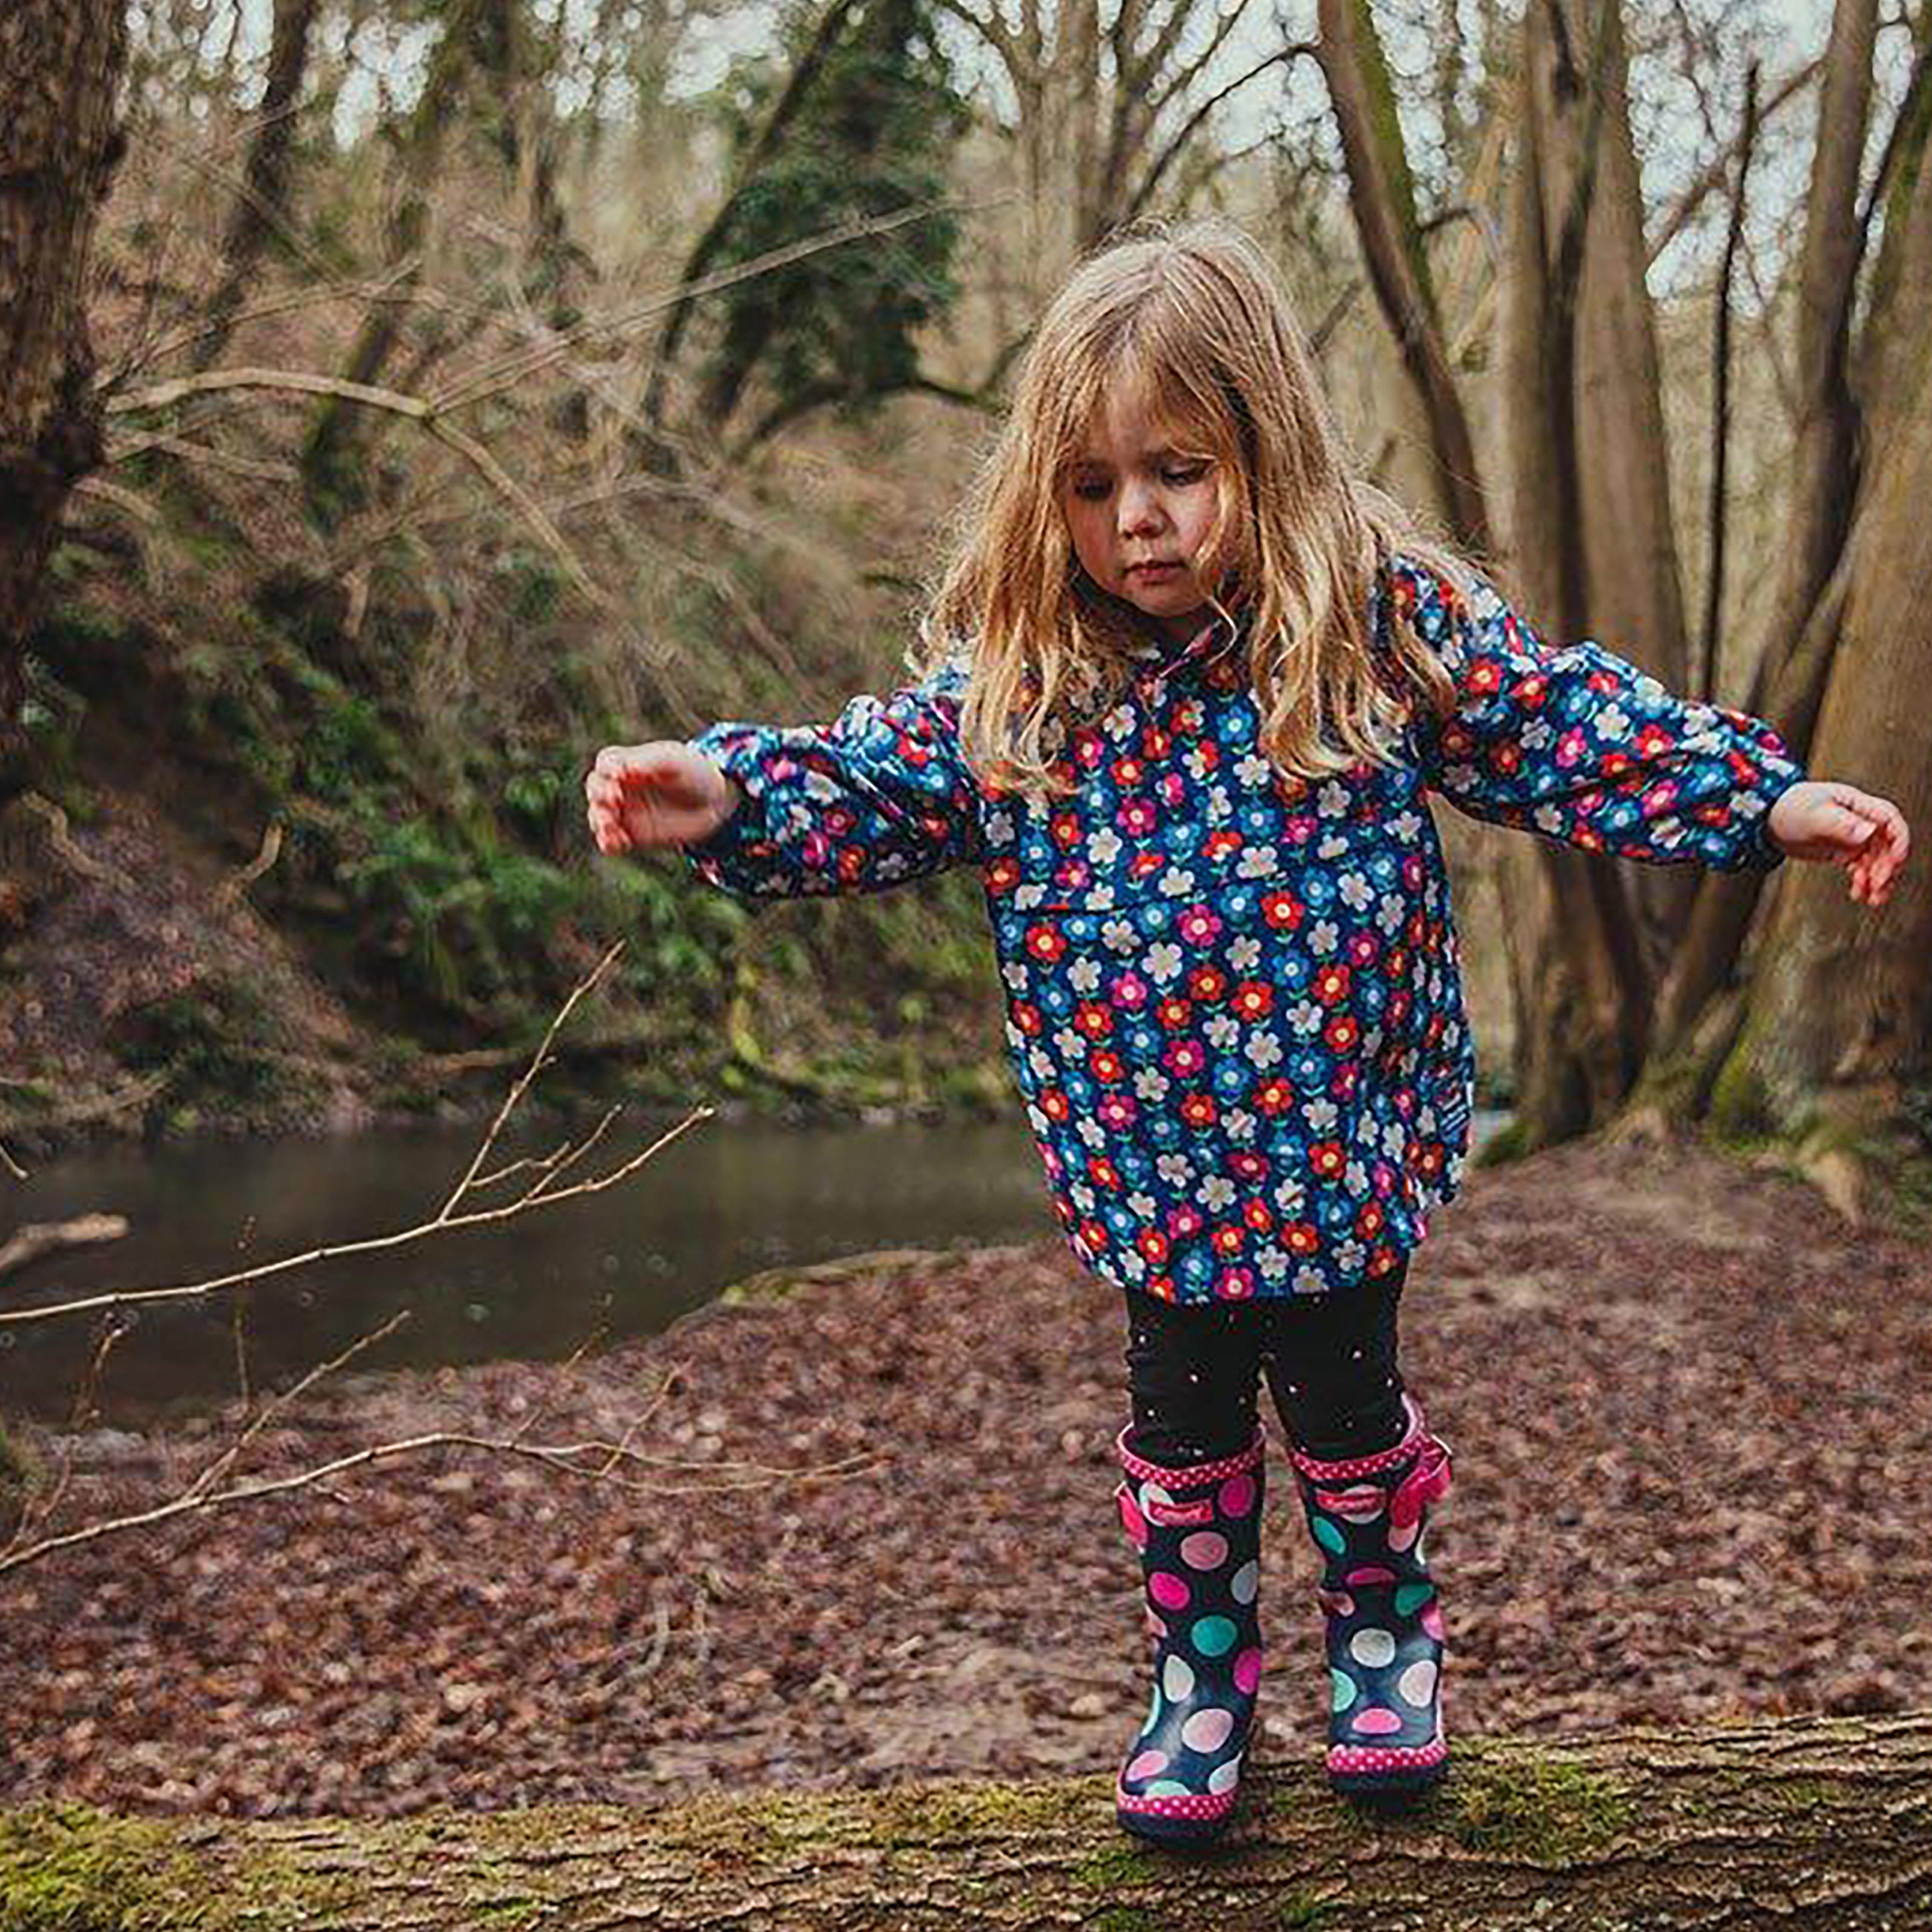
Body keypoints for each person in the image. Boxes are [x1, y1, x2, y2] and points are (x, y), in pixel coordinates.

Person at [583, 221, 1910, 1844]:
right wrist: (726, 794)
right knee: (1186, 1425)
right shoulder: (1028, 685)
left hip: (1339, 1142)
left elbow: (1559, 723)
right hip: (1149, 1168)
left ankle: (1384, 1637)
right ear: (1043, 498)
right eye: (1092, 485)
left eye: (1180, 471)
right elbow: (870, 782)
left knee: (1346, 1408)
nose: (1136, 518)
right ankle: (1202, 1673)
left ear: (1267, 453)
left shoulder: (1369, 633)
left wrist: (1760, 799)